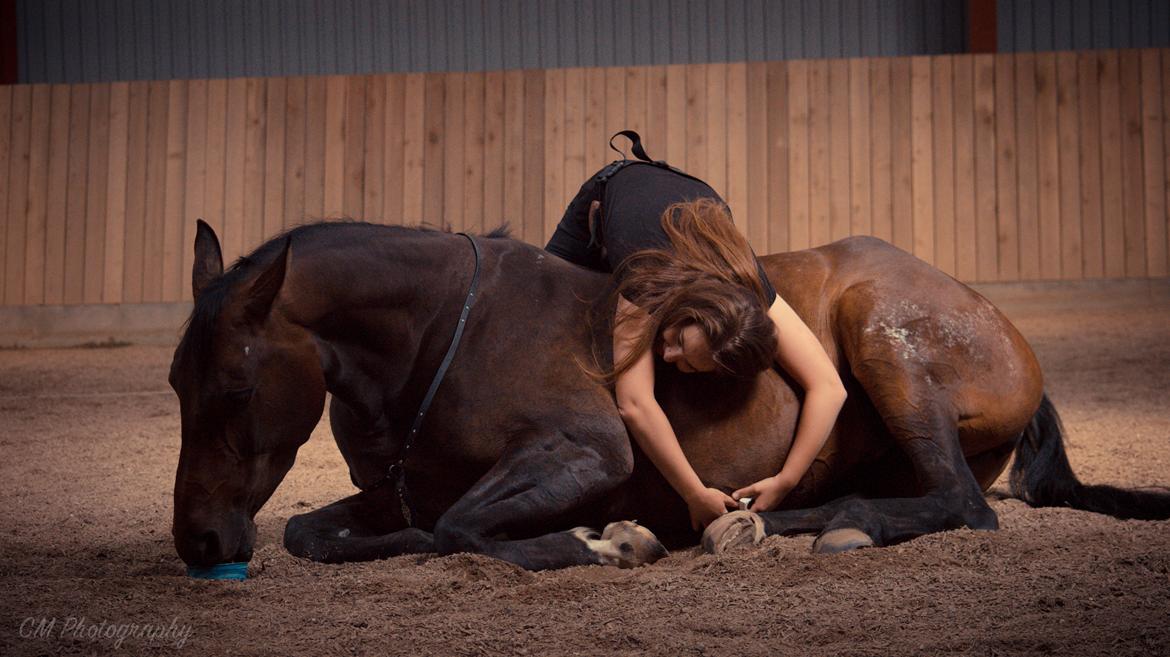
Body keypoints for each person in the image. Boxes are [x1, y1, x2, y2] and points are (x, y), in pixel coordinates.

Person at [544, 132, 847, 531]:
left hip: (689, 201)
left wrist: (786, 479)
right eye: (678, 342)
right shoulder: (647, 272)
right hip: (617, 191)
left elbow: (830, 387)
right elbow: (634, 404)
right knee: (544, 304)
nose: (668, 357)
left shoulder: (749, 286)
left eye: (689, 366)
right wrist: (694, 493)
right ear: (686, 309)